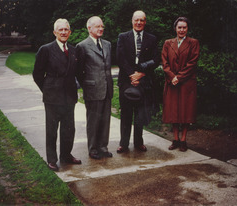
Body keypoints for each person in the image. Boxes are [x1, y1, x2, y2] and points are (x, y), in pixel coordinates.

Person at [33, 19, 81, 171]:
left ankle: (66, 155)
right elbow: (37, 74)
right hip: (53, 98)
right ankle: (52, 159)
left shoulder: (74, 50)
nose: (63, 32)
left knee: (69, 129)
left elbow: (77, 73)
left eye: (66, 29)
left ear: (70, 32)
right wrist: (47, 89)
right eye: (60, 30)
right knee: (52, 130)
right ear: (54, 32)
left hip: (69, 97)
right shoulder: (46, 49)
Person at [116, 10, 160, 153]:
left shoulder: (152, 39)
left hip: (144, 81)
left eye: (142, 20)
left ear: (145, 22)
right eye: (136, 20)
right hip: (126, 81)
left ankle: (138, 142)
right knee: (126, 114)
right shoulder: (123, 37)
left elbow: (156, 60)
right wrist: (131, 75)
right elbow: (120, 57)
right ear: (132, 21)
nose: (139, 23)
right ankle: (123, 143)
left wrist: (141, 73)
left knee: (140, 114)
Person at [76, 16, 113, 159]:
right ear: (89, 28)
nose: (101, 29)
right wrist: (87, 84)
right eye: (97, 26)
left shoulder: (108, 44)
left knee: (105, 120)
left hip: (107, 89)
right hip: (92, 90)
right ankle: (93, 149)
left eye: (102, 26)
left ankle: (103, 147)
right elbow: (79, 71)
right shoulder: (82, 46)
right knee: (93, 121)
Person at [161, 17, 200, 152]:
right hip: (171, 82)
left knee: (185, 112)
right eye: (179, 27)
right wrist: (172, 77)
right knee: (173, 111)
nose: (182, 30)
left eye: (184, 27)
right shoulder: (168, 43)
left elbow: (192, 63)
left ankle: (183, 140)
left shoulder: (193, 43)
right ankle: (175, 139)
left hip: (186, 82)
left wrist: (179, 77)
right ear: (175, 28)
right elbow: (164, 62)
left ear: (187, 29)